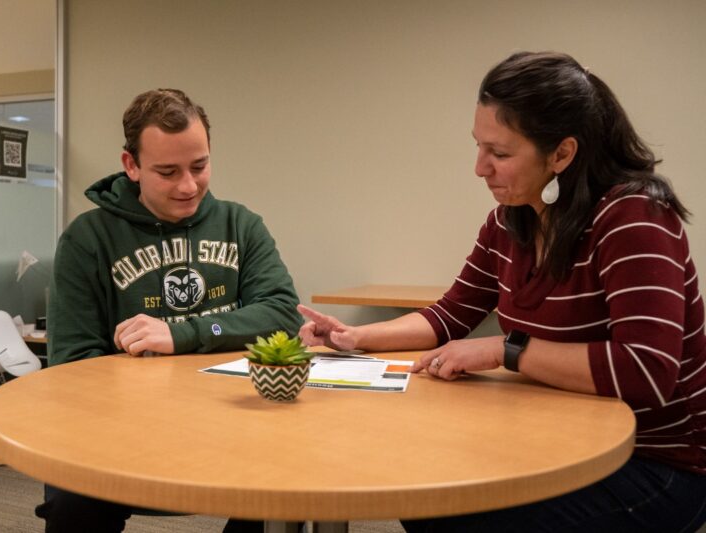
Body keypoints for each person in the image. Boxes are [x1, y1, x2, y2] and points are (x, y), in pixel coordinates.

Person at [299, 51, 706, 532]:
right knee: (428, 496)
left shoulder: (634, 218)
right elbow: (449, 316)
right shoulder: (510, 220)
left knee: (458, 517)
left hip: (657, 464)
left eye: (500, 153)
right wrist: (356, 337)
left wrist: (507, 350)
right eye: (479, 147)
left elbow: (644, 370)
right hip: (562, 439)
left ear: (562, 154)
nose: (479, 168)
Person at [35, 88, 302, 533]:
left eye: (199, 167)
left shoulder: (242, 225)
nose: (188, 185)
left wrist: (183, 334)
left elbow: (280, 315)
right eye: (167, 171)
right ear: (131, 166)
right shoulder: (87, 240)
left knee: (294, 476)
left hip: (233, 422)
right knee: (70, 501)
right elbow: (71, 366)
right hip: (123, 432)